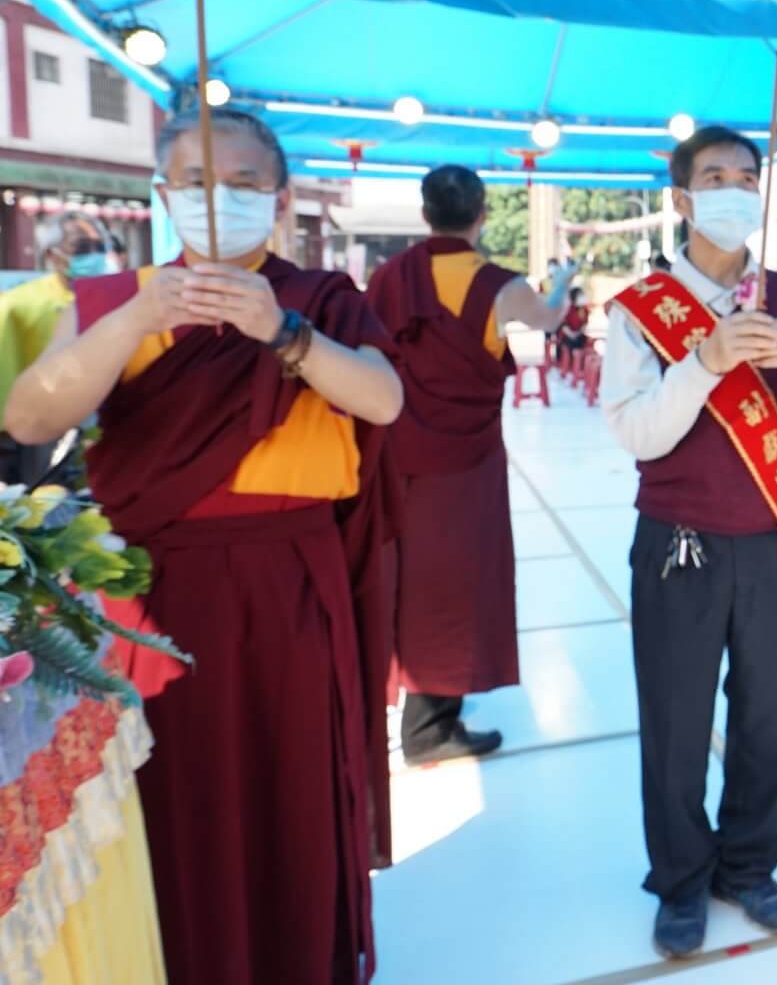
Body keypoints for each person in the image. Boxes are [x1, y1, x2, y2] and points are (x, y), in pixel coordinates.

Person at [4, 109, 404, 985]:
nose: (217, 201)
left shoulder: (319, 298)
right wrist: (141, 311)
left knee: (290, 785)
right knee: (176, 798)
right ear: (162, 193)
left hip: (290, 584)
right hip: (151, 594)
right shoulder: (118, 300)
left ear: (282, 198)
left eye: (244, 184)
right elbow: (29, 415)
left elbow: (382, 400)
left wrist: (283, 333)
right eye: (193, 182)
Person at [601, 125, 777, 959]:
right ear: (683, 197)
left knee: (771, 716)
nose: (734, 190)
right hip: (680, 545)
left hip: (776, 541)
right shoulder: (640, 310)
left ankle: (749, 864)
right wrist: (703, 359)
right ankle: (678, 879)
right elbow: (636, 432)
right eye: (715, 177)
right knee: (674, 719)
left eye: (748, 177)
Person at [365, 165, 576, 765]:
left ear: (425, 212)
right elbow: (550, 320)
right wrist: (562, 283)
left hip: (393, 450)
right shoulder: (499, 285)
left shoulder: (389, 276)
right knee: (452, 584)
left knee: (401, 577)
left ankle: (399, 698)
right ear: (482, 214)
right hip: (464, 460)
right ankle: (430, 728)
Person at [0, 212, 109, 484]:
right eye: (82, 248)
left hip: (105, 426)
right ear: (51, 254)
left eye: (100, 247)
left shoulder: (115, 298)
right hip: (41, 434)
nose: (93, 255)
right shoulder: (17, 304)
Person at [557, 286, 592, 364]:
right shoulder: (568, 309)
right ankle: (568, 364)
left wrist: (578, 333)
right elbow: (563, 325)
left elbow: (584, 324)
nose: (582, 297)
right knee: (571, 343)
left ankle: (581, 364)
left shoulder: (584, 309)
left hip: (578, 335)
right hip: (567, 335)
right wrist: (572, 334)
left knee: (584, 341)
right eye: (579, 295)